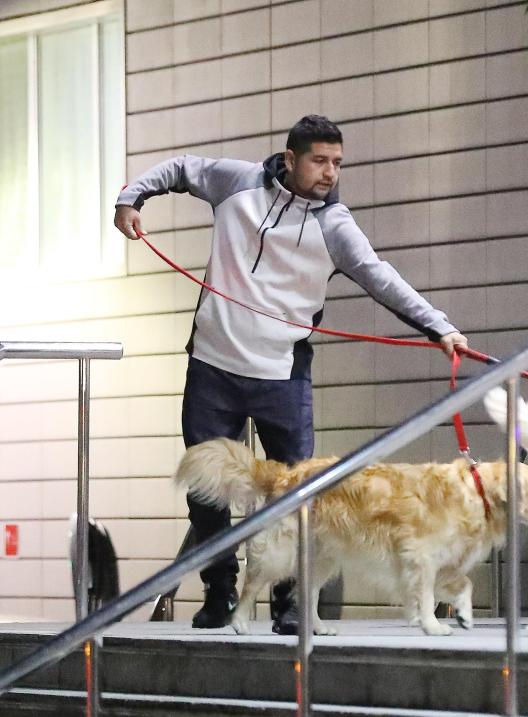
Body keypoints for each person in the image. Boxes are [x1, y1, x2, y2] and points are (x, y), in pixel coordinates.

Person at [114, 115, 468, 632]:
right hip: (213, 365)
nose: (330, 173)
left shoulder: (335, 225)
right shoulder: (236, 183)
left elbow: (381, 278)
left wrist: (440, 328)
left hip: (283, 373)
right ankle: (218, 594)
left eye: (337, 163)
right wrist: (131, 198)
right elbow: (181, 167)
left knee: (299, 494)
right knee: (207, 491)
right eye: (319, 161)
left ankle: (289, 606)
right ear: (290, 159)